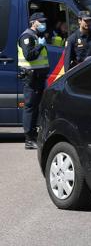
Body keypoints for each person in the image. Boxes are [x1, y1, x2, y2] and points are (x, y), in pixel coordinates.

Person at [18, 12, 49, 150]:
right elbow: (29, 56)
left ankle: (34, 135)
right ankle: (29, 139)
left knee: (36, 107)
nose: (43, 23)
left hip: (38, 77)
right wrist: (40, 46)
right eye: (40, 21)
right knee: (30, 107)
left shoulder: (36, 36)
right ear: (33, 22)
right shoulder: (27, 36)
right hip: (31, 78)